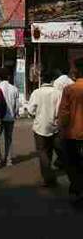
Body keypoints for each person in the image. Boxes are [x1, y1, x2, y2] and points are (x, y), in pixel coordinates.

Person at [27, 71, 63, 187]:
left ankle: (48, 176)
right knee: (50, 150)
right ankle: (49, 175)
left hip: (40, 127)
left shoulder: (36, 93)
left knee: (42, 151)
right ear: (52, 80)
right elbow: (59, 112)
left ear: (42, 80)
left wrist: (36, 114)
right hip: (54, 126)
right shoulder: (58, 93)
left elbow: (31, 110)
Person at [58, 57, 83, 207]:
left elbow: (64, 114)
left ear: (77, 70)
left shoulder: (69, 90)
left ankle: (78, 188)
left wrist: (61, 132)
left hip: (73, 134)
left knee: (73, 164)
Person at [0, 67, 20, 166]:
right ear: (9, 77)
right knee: (8, 139)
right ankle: (8, 159)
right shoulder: (14, 89)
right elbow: (16, 105)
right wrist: (15, 114)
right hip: (10, 117)